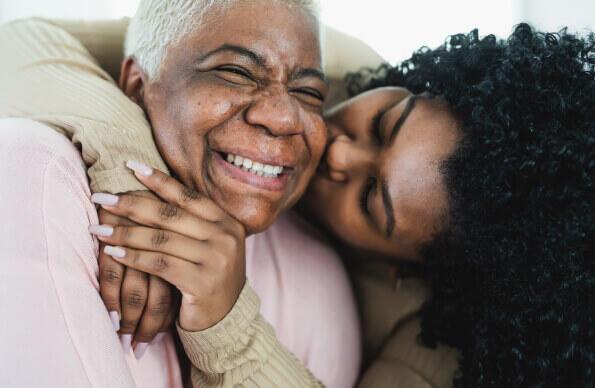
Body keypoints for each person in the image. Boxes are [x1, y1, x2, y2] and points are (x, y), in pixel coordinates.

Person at [2, 8, 592, 388]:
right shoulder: (317, 64)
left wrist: (228, 321)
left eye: (371, 200)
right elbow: (28, 40)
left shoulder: (429, 344)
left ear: (396, 268)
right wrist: (131, 170)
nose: (339, 152)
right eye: (383, 124)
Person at [0, 1, 366, 387]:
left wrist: (228, 330)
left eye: (308, 92)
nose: (283, 118)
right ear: (138, 87)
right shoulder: (37, 180)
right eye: (236, 72)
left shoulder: (320, 283)